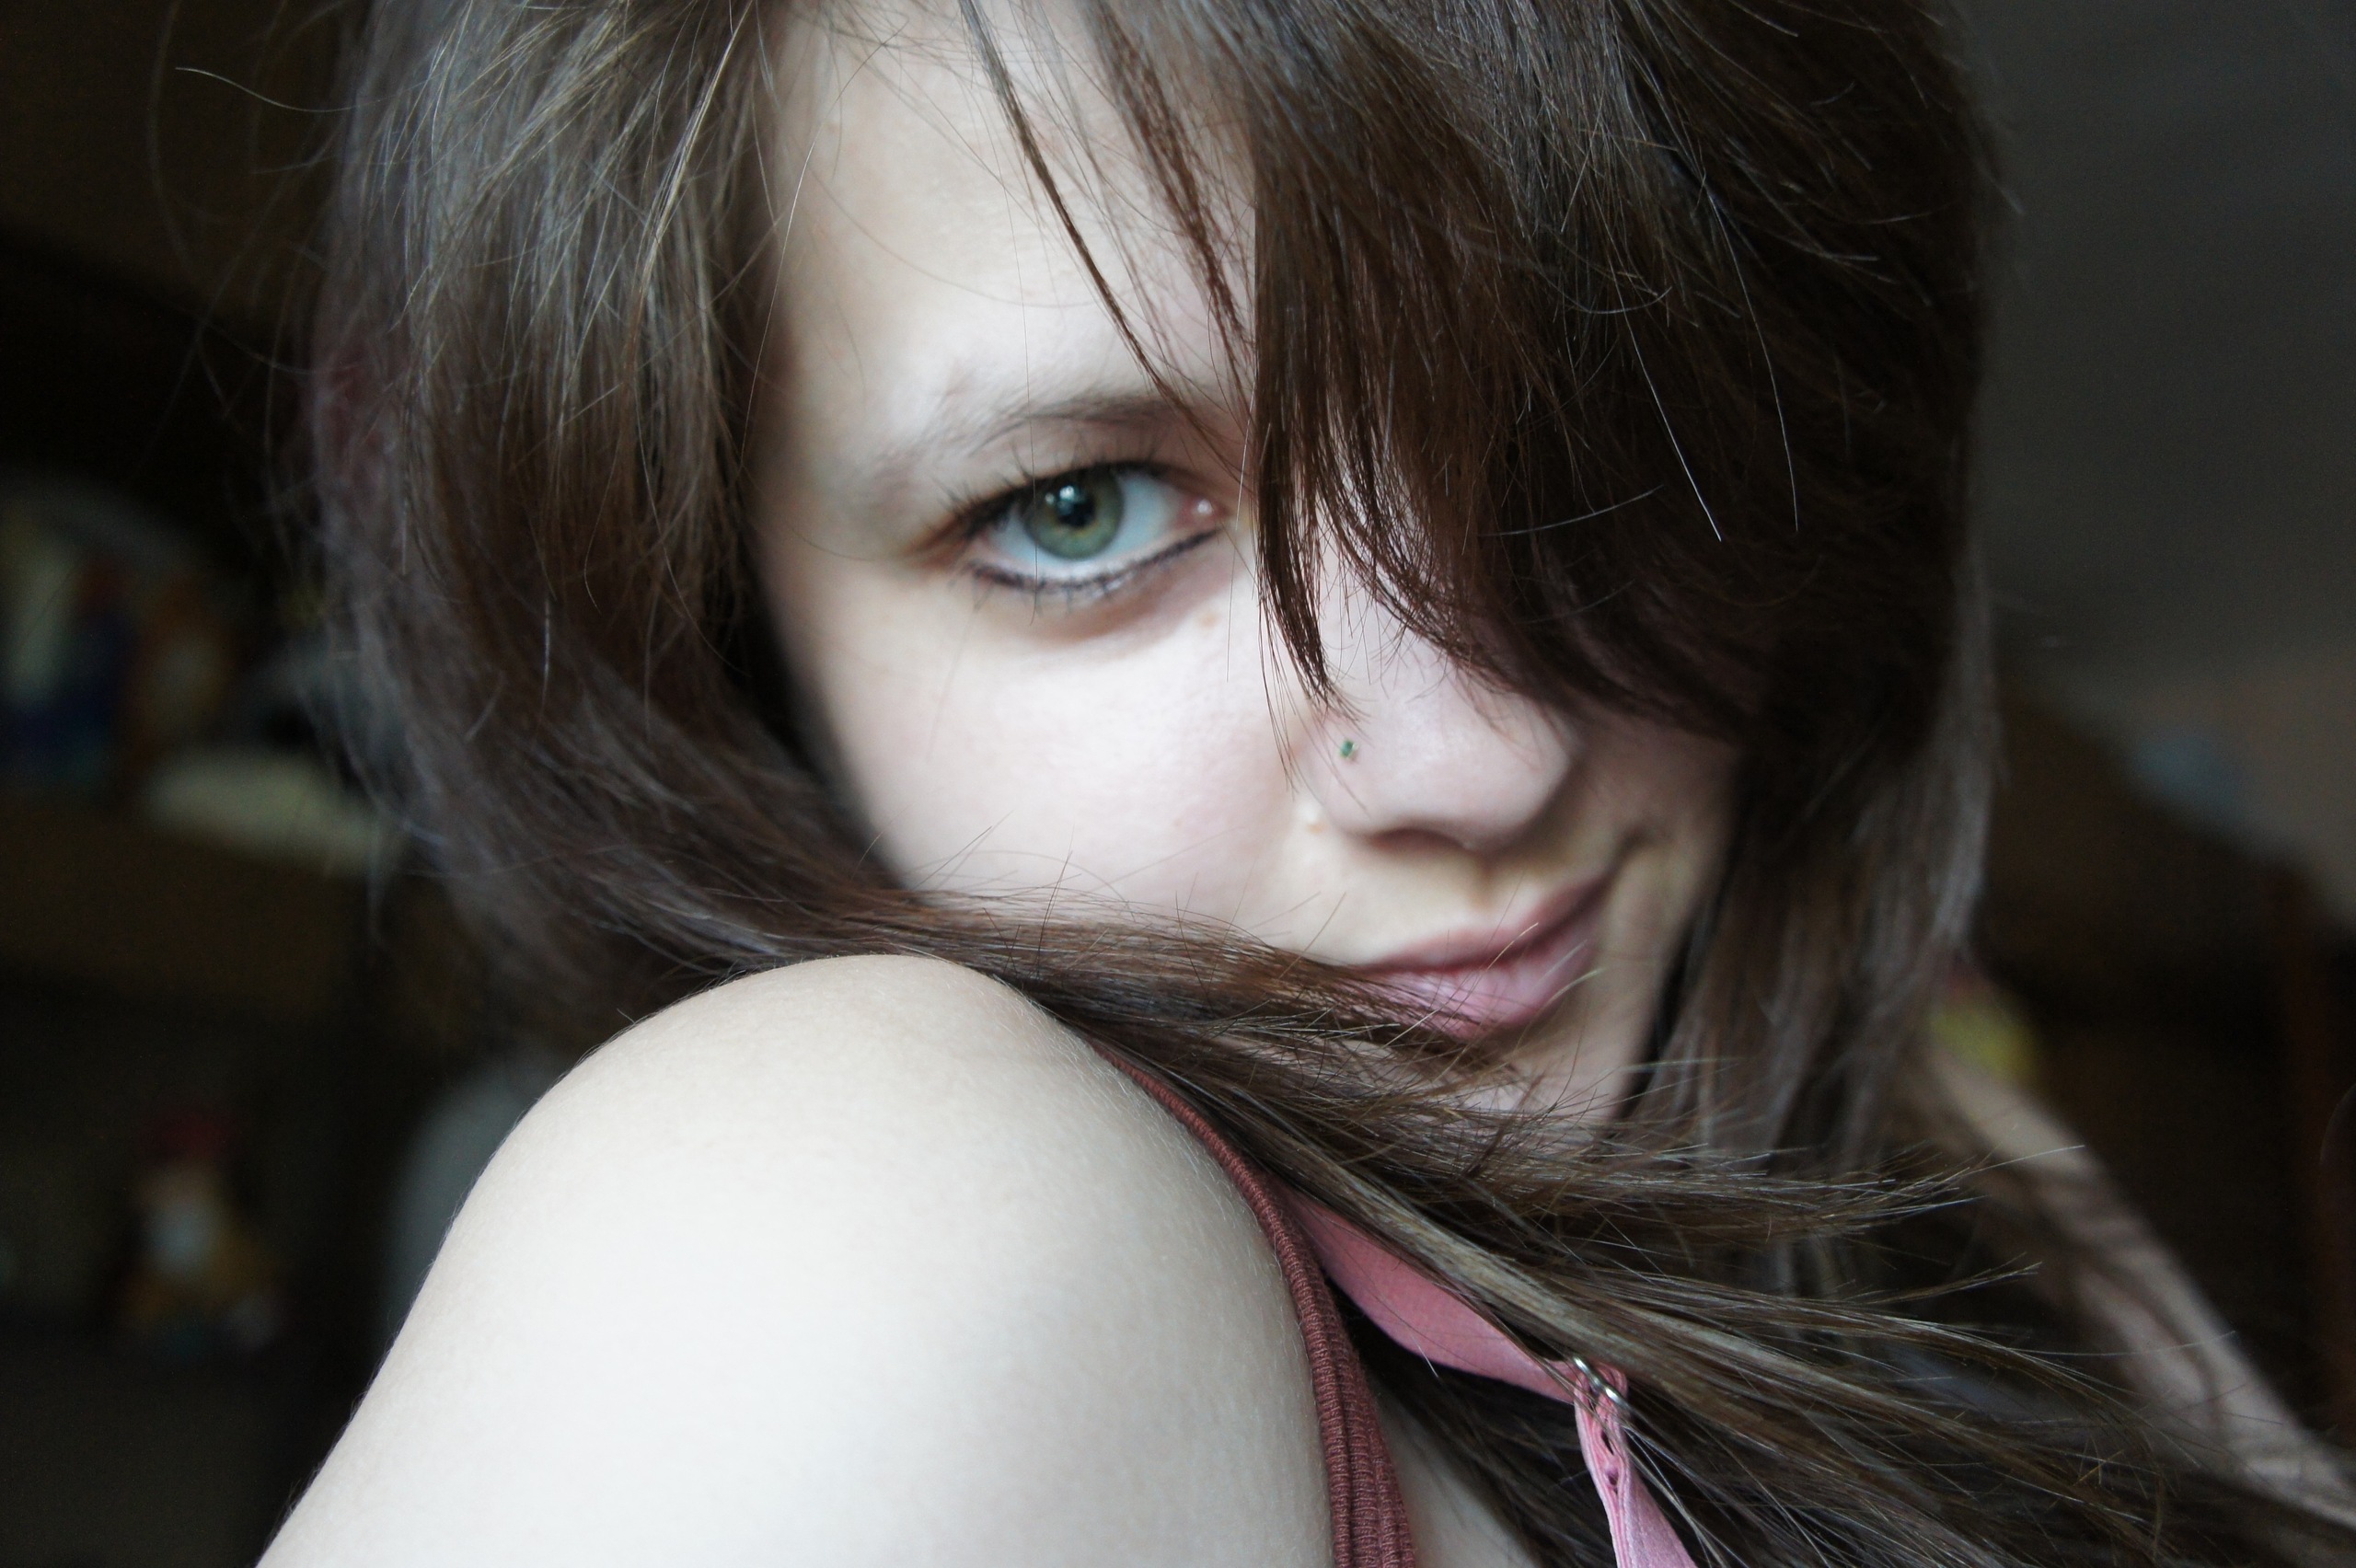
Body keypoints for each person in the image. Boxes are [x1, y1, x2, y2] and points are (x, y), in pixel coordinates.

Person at [267, 0, 2352, 1562]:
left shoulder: (1944, 1160)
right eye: (1081, 508)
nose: (1485, 753)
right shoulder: (845, 1215)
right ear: (729, 633)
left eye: (1584, 412)